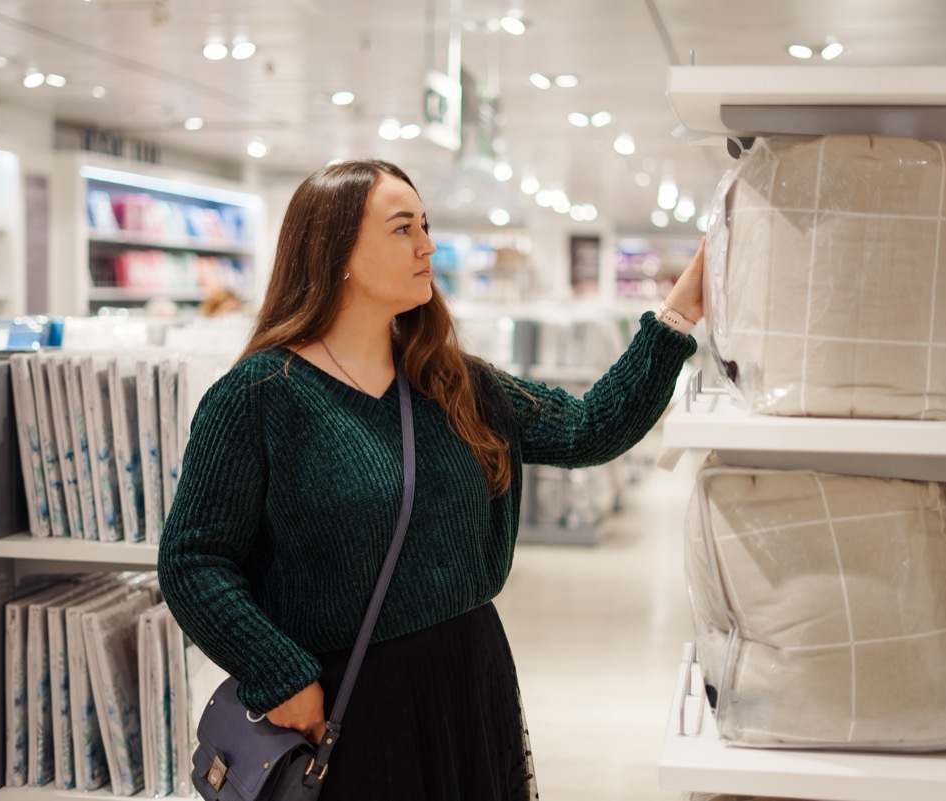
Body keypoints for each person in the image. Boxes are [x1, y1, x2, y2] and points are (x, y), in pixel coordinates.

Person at [158, 158, 704, 800]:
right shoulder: (257, 397)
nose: (427, 245)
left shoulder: (453, 381)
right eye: (401, 228)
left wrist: (677, 315)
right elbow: (193, 559)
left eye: (425, 224)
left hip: (467, 677)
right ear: (336, 252)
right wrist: (277, 673)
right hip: (345, 701)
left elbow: (588, 429)